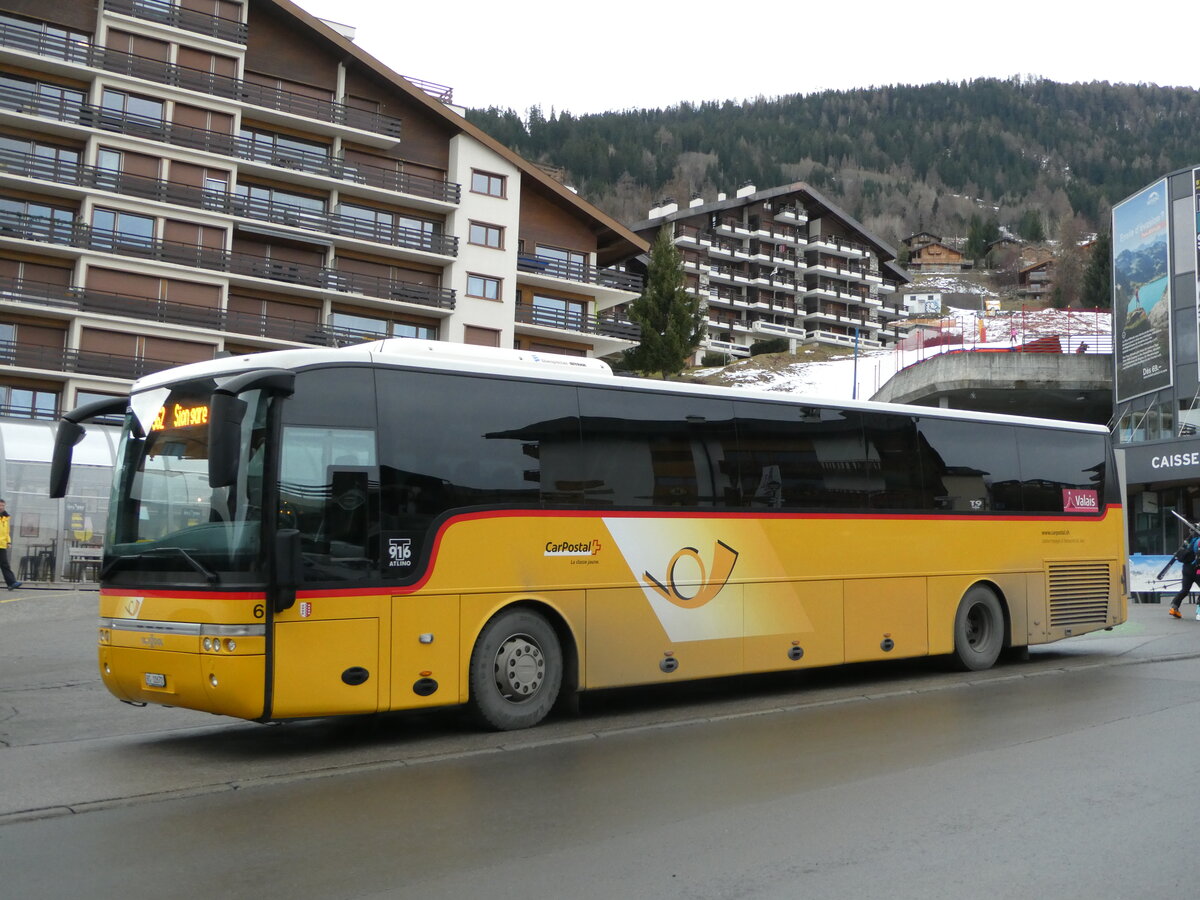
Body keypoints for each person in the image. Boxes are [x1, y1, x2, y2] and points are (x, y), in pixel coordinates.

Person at [1168, 532, 1200, 618]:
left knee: (1185, 590)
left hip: (1186, 569)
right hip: (1197, 569)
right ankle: (1199, 611)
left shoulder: (1190, 541)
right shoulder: (1198, 542)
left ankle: (1174, 607)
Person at [0, 498, 22, 590]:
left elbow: (6, 532)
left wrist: (8, 541)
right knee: (4, 564)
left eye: (3, 505)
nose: (1, 507)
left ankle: (11, 583)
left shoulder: (5, 518)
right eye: (0, 505)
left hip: (2, 545)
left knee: (5, 564)